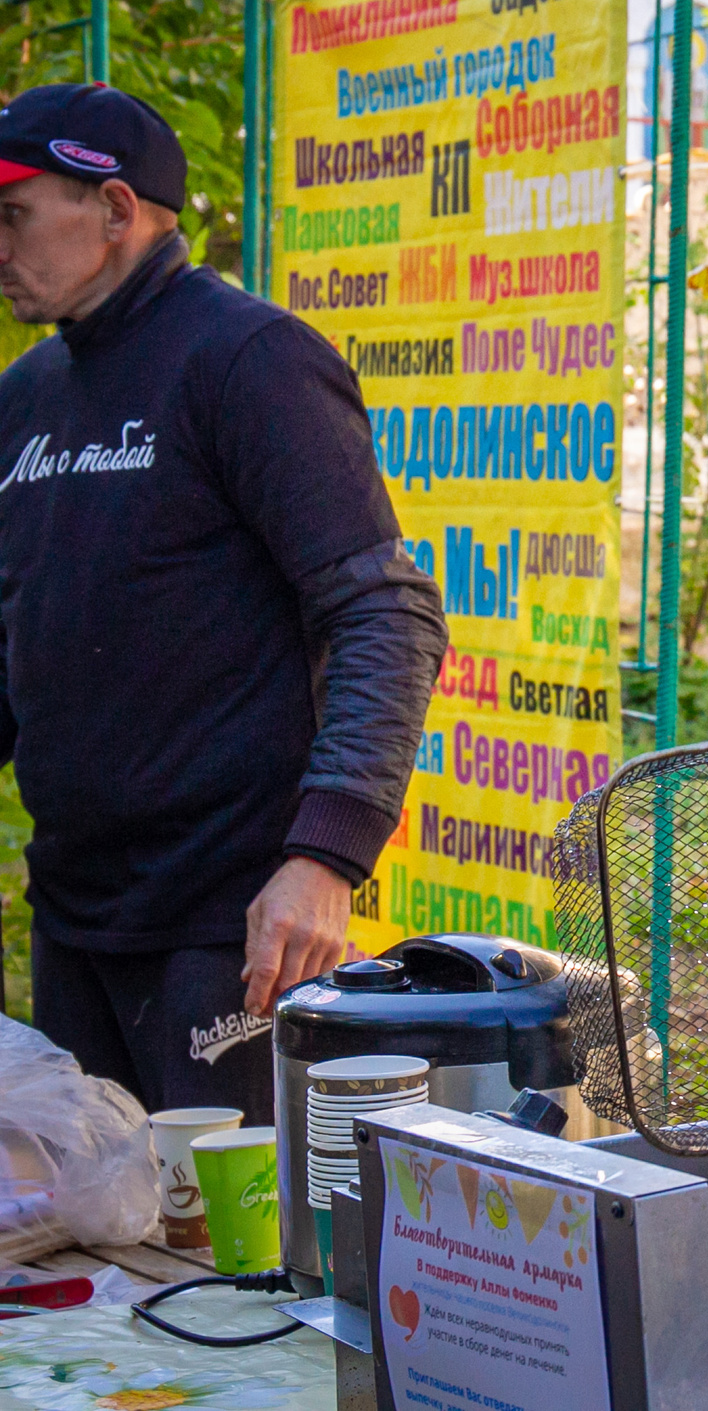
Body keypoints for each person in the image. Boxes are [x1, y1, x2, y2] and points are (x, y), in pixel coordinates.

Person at [0, 83, 445, 1121]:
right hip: (74, 910)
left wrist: (324, 857)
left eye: (13, 215)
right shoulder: (24, 398)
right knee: (100, 1242)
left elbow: (386, 614)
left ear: (114, 212)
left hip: (232, 920)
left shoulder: (248, 360)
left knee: (224, 1260)